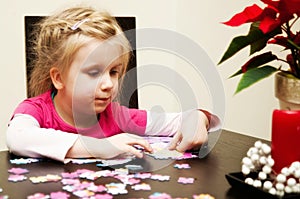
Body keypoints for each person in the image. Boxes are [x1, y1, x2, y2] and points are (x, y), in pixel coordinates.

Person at [6, 6, 220, 163]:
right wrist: (99, 146)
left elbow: (177, 120)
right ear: (58, 78)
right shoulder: (34, 110)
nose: (109, 84)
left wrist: (198, 118)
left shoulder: (117, 115)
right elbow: (18, 137)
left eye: (114, 71)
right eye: (93, 72)